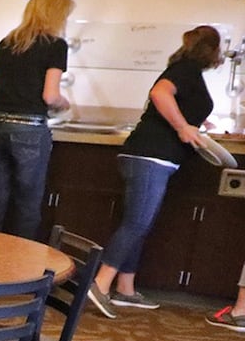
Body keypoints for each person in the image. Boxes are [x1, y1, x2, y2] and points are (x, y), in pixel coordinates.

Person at [84, 25, 224, 318]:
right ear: (211, 50)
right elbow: (159, 94)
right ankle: (99, 283)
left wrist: (196, 123)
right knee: (137, 223)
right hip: (151, 156)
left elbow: (174, 102)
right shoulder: (185, 70)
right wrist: (181, 126)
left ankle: (125, 289)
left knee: (138, 223)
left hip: (147, 155)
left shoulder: (184, 71)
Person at [0, 0, 74, 239]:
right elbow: (49, 96)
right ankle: (20, 268)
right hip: (30, 129)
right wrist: (64, 103)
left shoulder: (6, 43)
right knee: (27, 201)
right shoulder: (56, 46)